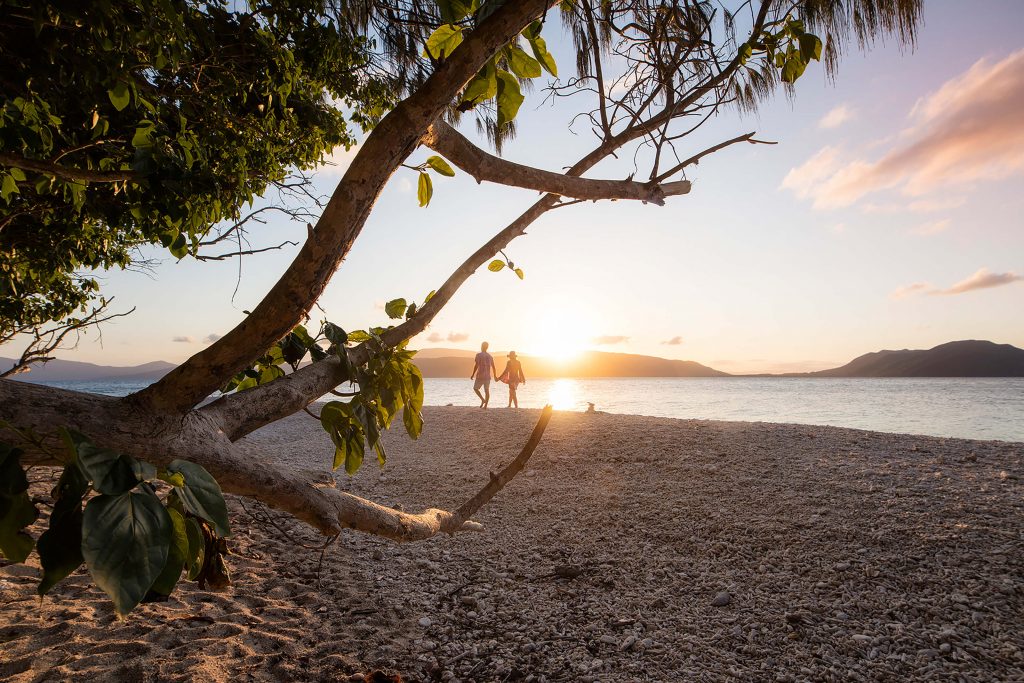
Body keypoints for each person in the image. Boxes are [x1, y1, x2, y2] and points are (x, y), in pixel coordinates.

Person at [470, 341, 497, 408]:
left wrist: (473, 374)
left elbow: (476, 365)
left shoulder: (478, 355)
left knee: (475, 388)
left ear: (482, 346)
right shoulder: (490, 356)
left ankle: (483, 400)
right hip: (487, 376)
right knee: (487, 390)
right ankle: (485, 405)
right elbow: (493, 367)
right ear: (487, 347)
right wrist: (495, 376)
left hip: (480, 375)